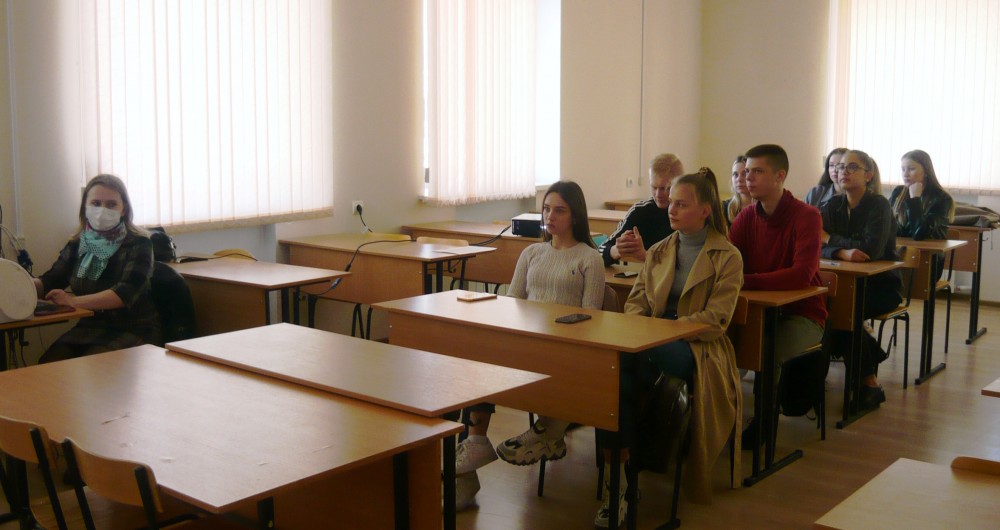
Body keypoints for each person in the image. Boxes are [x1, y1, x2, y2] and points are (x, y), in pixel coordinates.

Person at [593, 168, 743, 526]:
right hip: (649, 341)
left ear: (705, 210)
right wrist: (644, 329)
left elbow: (715, 320)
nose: (671, 209)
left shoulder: (727, 256)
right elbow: (636, 302)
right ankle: (622, 483)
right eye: (671, 202)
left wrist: (661, 332)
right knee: (618, 384)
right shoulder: (661, 249)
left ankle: (624, 479)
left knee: (620, 371)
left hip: (698, 347)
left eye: (681, 204)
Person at [455, 180, 605, 510]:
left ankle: (550, 427)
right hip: (526, 343)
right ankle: (475, 444)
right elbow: (512, 302)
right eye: (547, 209)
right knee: (476, 361)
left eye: (559, 210)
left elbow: (590, 318)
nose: (550, 216)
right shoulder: (532, 253)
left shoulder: (589, 258)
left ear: (575, 216)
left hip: (562, 348)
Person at [728, 144, 827, 443]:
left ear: (780, 176)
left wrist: (747, 281)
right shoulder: (747, 216)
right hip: (758, 311)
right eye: (747, 171)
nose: (748, 178)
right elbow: (727, 262)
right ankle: (718, 420)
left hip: (803, 315)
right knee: (718, 346)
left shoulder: (807, 216)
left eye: (758, 171)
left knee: (766, 350)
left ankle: (764, 426)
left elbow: (801, 275)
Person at [33, 174, 160, 363]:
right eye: (96, 203)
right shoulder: (78, 243)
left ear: (124, 209)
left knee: (93, 370)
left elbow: (124, 293)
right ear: (85, 207)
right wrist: (17, 285)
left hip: (132, 328)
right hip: (89, 326)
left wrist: (72, 301)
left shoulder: (139, 244)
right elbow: (51, 280)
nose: (102, 210)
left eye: (111, 204)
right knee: (47, 366)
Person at [820, 149, 902, 408]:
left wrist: (831, 240)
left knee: (844, 313)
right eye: (840, 167)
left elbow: (871, 250)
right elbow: (815, 243)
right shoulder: (831, 206)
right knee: (831, 312)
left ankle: (869, 383)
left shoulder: (879, 205)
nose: (843, 172)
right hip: (844, 286)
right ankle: (871, 358)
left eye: (852, 167)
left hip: (881, 287)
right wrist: (841, 251)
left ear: (868, 175)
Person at [598, 153, 684, 266]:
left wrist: (645, 256)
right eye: (654, 187)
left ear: (679, 185)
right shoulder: (640, 211)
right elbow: (599, 253)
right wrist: (615, 250)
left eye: (665, 188)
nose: (658, 194)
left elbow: (686, 264)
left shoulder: (689, 214)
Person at [890, 149, 955, 282]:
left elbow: (920, 234)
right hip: (898, 255)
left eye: (911, 169)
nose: (905, 174)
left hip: (928, 263)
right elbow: (888, 227)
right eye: (903, 169)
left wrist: (915, 199)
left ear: (926, 171)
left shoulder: (941, 198)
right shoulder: (898, 192)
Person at [722, 155, 751, 225]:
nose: (739, 179)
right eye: (735, 174)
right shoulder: (724, 208)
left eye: (744, 174)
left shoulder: (764, 207)